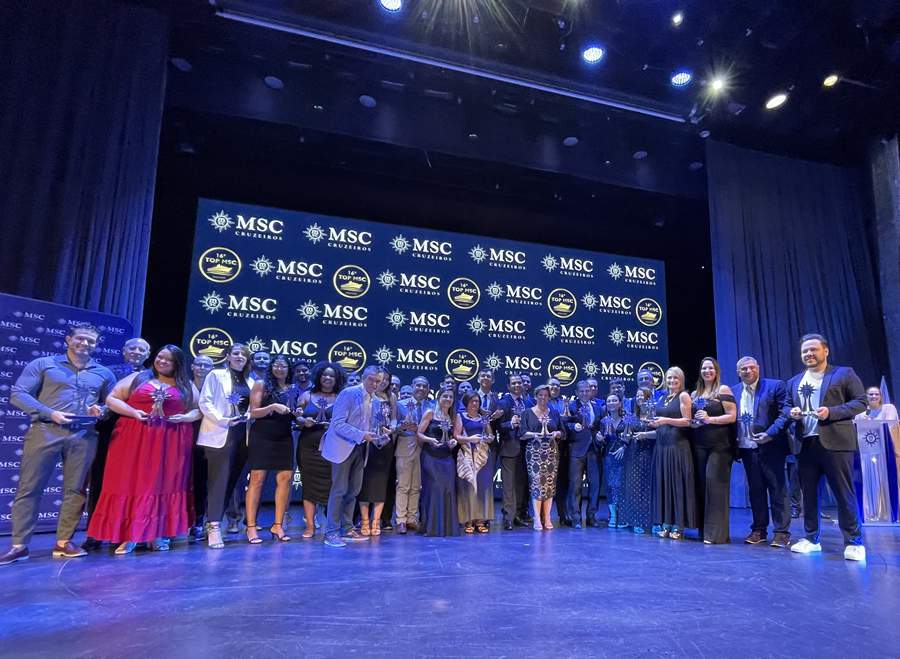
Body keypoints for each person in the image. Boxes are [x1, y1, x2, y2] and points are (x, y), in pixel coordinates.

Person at [0, 323, 116, 565]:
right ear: (68, 339)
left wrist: (102, 410)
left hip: (84, 435)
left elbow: (110, 405)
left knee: (76, 490)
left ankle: (64, 542)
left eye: (91, 341)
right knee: (29, 488)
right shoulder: (44, 364)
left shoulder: (104, 373)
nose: (85, 344)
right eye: (80, 338)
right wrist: (49, 413)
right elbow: (19, 394)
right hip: (45, 430)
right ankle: (19, 545)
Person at [86, 345, 200, 554]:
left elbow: (198, 410)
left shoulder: (185, 384)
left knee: (163, 485)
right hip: (134, 438)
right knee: (132, 483)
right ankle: (130, 535)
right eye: (160, 357)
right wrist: (133, 412)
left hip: (170, 440)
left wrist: (185, 417)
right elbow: (112, 399)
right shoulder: (139, 378)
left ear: (177, 364)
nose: (162, 362)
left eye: (169, 360)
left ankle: (158, 534)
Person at [786, 334, 867, 560]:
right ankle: (811, 539)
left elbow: (861, 401)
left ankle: (853, 541)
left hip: (836, 443)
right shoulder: (794, 381)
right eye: (805, 351)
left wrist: (832, 412)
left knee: (843, 493)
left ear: (826, 351)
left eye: (813, 349)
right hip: (805, 444)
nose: (808, 354)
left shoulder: (843, 373)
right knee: (809, 495)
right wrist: (791, 412)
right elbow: (787, 407)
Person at [83, 336, 150, 551]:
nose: (136, 352)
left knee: (129, 484)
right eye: (132, 348)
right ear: (123, 351)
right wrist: (97, 410)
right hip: (107, 431)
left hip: (138, 435)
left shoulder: (153, 377)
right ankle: (94, 532)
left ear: (148, 355)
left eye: (141, 349)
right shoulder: (106, 372)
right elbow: (95, 399)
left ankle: (121, 531)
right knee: (100, 480)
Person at [196, 344, 254, 549]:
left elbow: (252, 407)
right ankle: (213, 527)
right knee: (218, 481)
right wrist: (223, 419)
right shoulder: (216, 375)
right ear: (228, 356)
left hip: (242, 435)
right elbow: (205, 401)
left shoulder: (251, 381)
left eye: (244, 355)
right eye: (236, 353)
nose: (240, 357)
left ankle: (214, 520)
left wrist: (248, 415)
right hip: (220, 432)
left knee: (232, 483)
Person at [733, 356, 791, 548]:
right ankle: (759, 530)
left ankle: (781, 532)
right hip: (747, 449)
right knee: (756, 491)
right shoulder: (733, 391)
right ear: (738, 372)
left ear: (758, 368)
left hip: (771, 446)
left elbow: (785, 414)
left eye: (751, 367)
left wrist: (770, 434)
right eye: (744, 369)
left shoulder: (775, 386)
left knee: (777, 490)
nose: (748, 371)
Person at [321, 365, 382, 548]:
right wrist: (362, 435)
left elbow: (371, 426)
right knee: (339, 490)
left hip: (361, 448)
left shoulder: (376, 401)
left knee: (353, 491)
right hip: (342, 446)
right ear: (363, 378)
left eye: (378, 381)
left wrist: (380, 434)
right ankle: (331, 532)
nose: (374, 384)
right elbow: (338, 424)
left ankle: (346, 529)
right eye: (371, 379)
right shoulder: (348, 393)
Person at [245, 355, 297, 544]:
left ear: (289, 369)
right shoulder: (261, 384)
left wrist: (299, 415)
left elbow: (293, 412)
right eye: (276, 365)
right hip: (262, 435)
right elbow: (253, 412)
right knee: (257, 479)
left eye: (283, 366)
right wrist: (272, 407)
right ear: (271, 367)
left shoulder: (293, 388)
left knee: (285, 479)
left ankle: (277, 524)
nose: (280, 369)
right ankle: (251, 527)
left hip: (284, 436)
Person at [691, 357, 737, 544]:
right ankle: (704, 532)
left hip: (720, 446)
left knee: (715, 487)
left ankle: (716, 534)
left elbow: (732, 416)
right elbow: (693, 419)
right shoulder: (695, 394)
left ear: (716, 371)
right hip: (699, 445)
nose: (707, 371)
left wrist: (710, 419)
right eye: (704, 368)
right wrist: (694, 423)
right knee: (702, 487)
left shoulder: (723, 390)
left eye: (710, 368)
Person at [296, 361, 343, 538]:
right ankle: (310, 525)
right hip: (308, 446)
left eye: (331, 375)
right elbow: (297, 416)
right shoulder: (306, 395)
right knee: (308, 485)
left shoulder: (342, 397)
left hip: (332, 447)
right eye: (325, 375)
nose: (328, 378)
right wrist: (303, 421)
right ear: (318, 377)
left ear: (337, 378)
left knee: (332, 485)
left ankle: (331, 525)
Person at [650, 367, 697, 540]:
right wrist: (655, 424)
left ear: (681, 380)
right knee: (664, 484)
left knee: (676, 485)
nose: (672, 381)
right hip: (662, 446)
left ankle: (678, 524)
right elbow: (661, 420)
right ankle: (666, 522)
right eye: (669, 378)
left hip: (677, 446)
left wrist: (665, 420)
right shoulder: (662, 397)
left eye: (676, 378)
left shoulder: (683, 396)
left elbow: (687, 421)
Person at [358, 367, 397, 536]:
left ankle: (376, 521)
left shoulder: (391, 397)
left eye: (387, 379)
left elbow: (394, 419)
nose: (384, 382)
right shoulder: (367, 394)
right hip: (368, 442)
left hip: (385, 443)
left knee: (381, 483)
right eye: (381, 379)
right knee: (365, 482)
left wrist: (392, 428)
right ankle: (364, 521)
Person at [518, 384, 563, 530]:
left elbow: (562, 432)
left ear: (549, 397)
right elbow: (522, 433)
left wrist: (556, 433)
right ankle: (537, 518)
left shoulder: (554, 412)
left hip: (551, 452)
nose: (543, 397)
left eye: (546, 395)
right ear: (535, 396)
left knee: (549, 484)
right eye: (540, 395)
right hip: (534, 453)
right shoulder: (527, 413)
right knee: (537, 484)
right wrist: (535, 434)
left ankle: (547, 517)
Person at [417, 386, 459, 536]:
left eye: (450, 397)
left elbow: (452, 436)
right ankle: (432, 527)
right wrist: (430, 440)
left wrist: (453, 442)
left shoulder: (452, 416)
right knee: (434, 489)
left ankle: (446, 527)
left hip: (447, 457)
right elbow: (419, 434)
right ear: (438, 397)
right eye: (445, 396)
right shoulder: (430, 413)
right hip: (430, 456)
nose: (448, 399)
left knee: (448, 489)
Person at [394, 376, 431, 534]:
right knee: (403, 485)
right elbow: (392, 426)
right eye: (418, 385)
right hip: (405, 445)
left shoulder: (432, 406)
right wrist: (402, 427)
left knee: (416, 486)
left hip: (424, 448)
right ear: (412, 386)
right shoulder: (400, 404)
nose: (421, 388)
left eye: (424, 386)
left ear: (428, 389)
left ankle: (411, 518)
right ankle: (401, 520)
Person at [565, 380, 603, 529]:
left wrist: (600, 434)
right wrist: (572, 426)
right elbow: (563, 423)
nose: (585, 393)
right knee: (575, 486)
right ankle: (575, 517)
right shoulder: (571, 406)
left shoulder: (598, 407)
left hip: (594, 449)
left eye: (587, 390)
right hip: (577, 450)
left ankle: (592, 516)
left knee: (595, 485)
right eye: (582, 391)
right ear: (577, 392)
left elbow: (601, 425)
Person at [455, 392, 494, 533]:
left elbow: (490, 435)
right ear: (466, 403)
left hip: (483, 457)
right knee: (469, 487)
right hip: (467, 454)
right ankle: (468, 520)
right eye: (472, 401)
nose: (475, 403)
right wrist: (470, 439)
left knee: (483, 487)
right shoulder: (460, 416)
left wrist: (488, 438)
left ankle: (480, 520)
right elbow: (456, 436)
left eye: (477, 401)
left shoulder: (483, 418)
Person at [620, 387, 657, 533]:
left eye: (643, 396)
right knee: (635, 487)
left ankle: (654, 521)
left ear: (649, 399)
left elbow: (660, 433)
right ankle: (636, 521)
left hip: (651, 453)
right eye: (638, 396)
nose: (640, 398)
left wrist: (645, 435)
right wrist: (625, 435)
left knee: (650, 487)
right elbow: (627, 436)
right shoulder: (632, 416)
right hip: (634, 454)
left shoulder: (655, 415)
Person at [855, 385, 900, 500]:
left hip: (888, 453)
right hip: (870, 456)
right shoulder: (862, 414)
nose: (874, 396)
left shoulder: (888, 408)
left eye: (876, 394)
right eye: (871, 394)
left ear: (881, 396)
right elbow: (857, 431)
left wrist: (872, 423)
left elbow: (890, 426)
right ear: (866, 397)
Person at [496, 373, 529, 529]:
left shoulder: (528, 402)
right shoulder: (503, 402)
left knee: (521, 484)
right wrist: (510, 424)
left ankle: (517, 515)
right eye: (514, 383)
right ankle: (508, 517)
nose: (517, 385)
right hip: (509, 447)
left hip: (526, 448)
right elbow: (497, 426)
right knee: (509, 485)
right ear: (508, 386)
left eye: (519, 383)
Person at [189, 355, 214, 540]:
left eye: (207, 365)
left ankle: (198, 521)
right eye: (199, 364)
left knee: (201, 482)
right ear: (192, 366)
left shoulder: (215, 388)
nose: (202, 367)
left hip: (207, 439)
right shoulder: (184, 386)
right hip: (182, 437)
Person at [599, 393, 629, 529]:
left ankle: (623, 515)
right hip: (609, 457)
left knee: (622, 486)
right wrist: (599, 439)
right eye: (609, 401)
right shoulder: (604, 421)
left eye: (614, 400)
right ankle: (613, 515)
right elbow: (603, 441)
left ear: (620, 403)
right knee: (611, 486)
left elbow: (631, 437)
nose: (611, 403)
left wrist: (624, 446)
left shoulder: (627, 419)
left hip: (625, 457)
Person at [548, 378, 571, 526]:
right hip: (546, 449)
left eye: (557, 385)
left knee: (563, 483)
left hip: (564, 447)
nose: (555, 387)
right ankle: (543, 516)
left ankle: (563, 515)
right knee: (546, 483)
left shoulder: (565, 403)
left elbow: (570, 421)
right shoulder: (542, 403)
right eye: (552, 385)